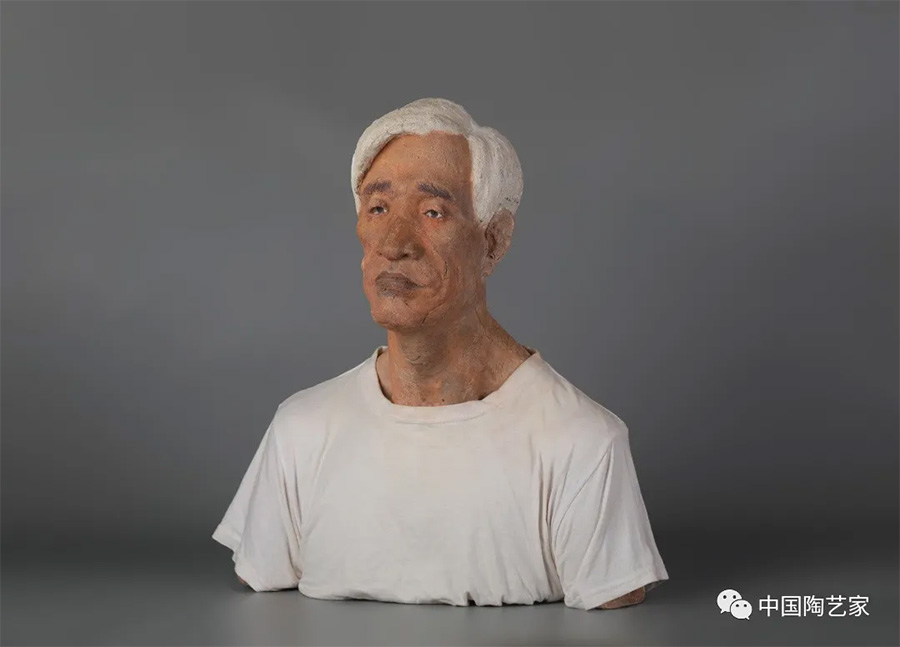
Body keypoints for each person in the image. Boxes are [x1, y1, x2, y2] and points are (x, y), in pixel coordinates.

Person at [212, 98, 668, 610]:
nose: (394, 243)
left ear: (493, 241)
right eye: (378, 209)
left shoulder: (581, 444)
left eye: (433, 212)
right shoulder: (302, 429)